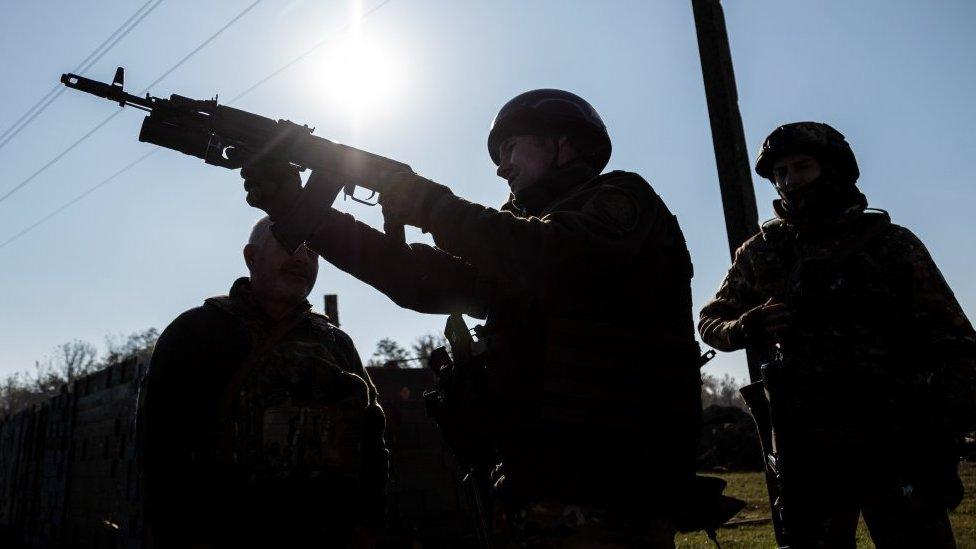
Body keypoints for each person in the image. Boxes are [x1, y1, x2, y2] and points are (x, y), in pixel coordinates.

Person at [242, 90, 705, 547]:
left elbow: (544, 253)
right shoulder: (519, 244)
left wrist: (426, 202)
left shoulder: (622, 202)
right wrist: (304, 214)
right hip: (533, 483)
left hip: (613, 489)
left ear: (561, 142)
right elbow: (419, 279)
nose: (501, 167)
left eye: (509, 148)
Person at [699, 121, 976, 548]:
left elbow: (957, 342)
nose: (790, 181)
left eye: (802, 167)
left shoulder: (889, 245)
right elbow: (711, 321)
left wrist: (939, 429)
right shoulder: (762, 252)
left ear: (834, 169)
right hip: (808, 445)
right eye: (781, 173)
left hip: (897, 437)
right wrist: (746, 326)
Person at [138, 217, 388, 548]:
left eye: (312, 253)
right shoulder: (196, 332)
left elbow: (372, 443)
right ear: (251, 257)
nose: (302, 258)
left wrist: (367, 527)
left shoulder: (336, 344)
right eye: (289, 244)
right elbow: (160, 453)